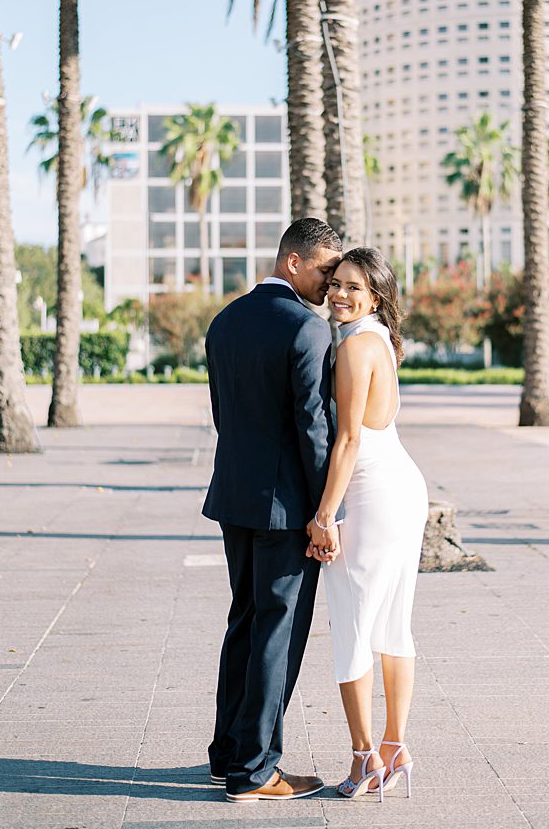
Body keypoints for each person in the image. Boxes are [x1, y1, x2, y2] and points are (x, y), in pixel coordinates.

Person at [202, 217, 343, 802]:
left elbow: (222, 413)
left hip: (235, 496)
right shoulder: (305, 329)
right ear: (293, 262)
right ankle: (255, 771)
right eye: (326, 271)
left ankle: (227, 755)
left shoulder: (224, 320)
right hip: (286, 508)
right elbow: (313, 427)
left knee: (245, 622)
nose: (333, 285)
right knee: (276, 634)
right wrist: (324, 512)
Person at [312, 246, 429, 799]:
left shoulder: (357, 346)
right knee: (392, 627)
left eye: (353, 287)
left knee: (353, 628)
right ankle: (394, 745)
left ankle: (364, 759)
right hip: (400, 488)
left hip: (373, 497)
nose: (339, 293)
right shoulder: (378, 337)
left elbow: (350, 439)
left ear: (375, 296)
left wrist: (324, 515)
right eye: (335, 282)